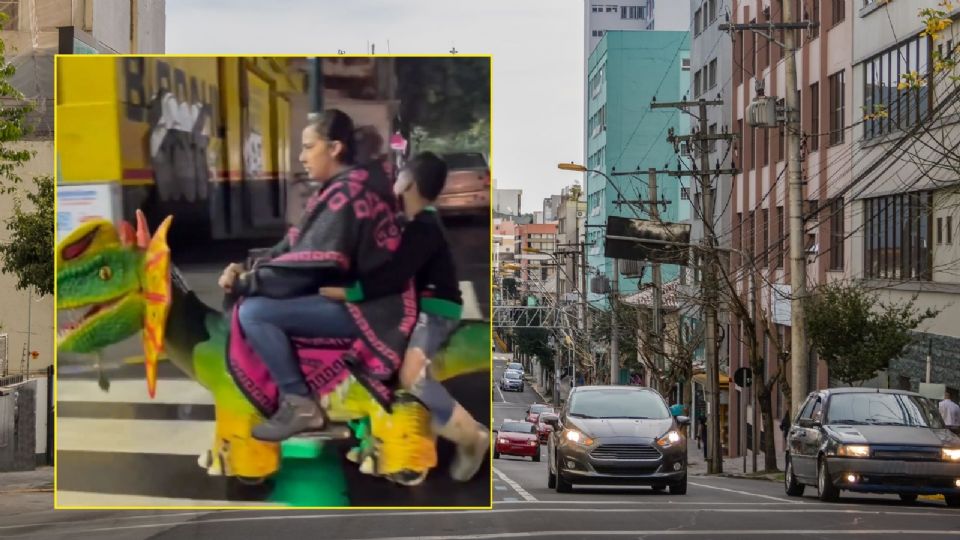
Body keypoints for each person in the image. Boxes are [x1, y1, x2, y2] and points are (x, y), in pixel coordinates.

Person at [219, 109, 402, 442]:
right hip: (361, 298)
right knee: (259, 297)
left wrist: (250, 282)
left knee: (254, 312)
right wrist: (250, 267)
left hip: (370, 309)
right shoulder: (345, 187)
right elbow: (293, 244)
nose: (301, 157)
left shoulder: (348, 194)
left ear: (334, 148)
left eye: (307, 147)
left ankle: (300, 403)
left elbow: (311, 266)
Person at [321, 152, 489, 483]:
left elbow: (393, 276)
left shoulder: (424, 228)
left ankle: (471, 437)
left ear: (408, 183)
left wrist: (346, 292)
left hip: (435, 311)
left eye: (398, 177)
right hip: (409, 309)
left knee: (413, 376)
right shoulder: (408, 224)